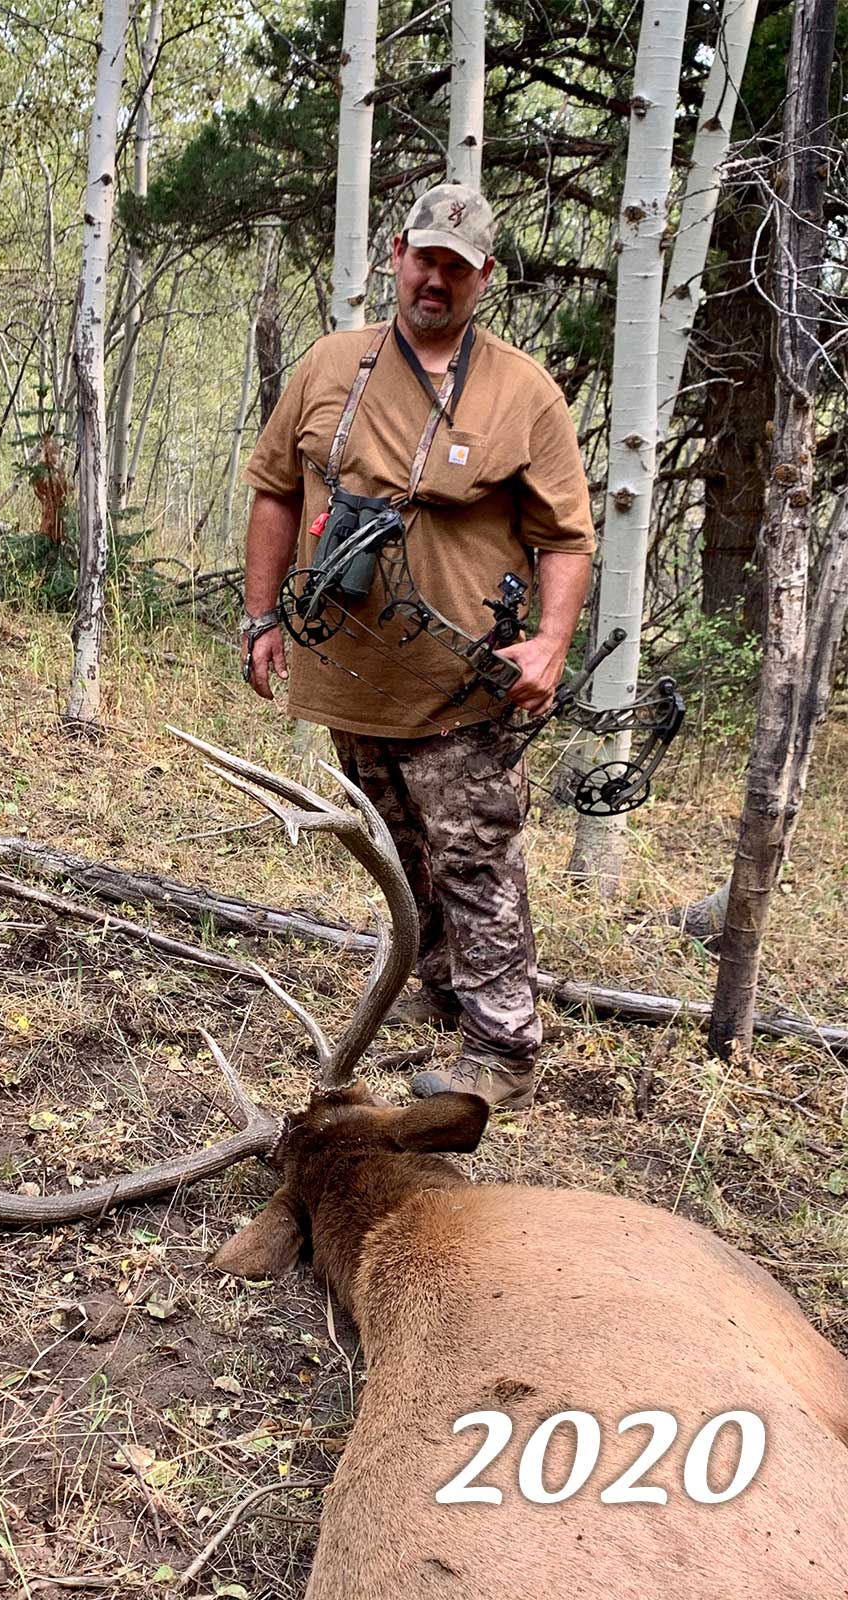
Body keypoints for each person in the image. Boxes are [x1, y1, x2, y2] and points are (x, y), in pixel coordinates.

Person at [237, 182, 595, 1111]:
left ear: (483, 278)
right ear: (397, 253)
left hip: (467, 682)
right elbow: (276, 490)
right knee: (407, 850)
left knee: (475, 853)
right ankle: (448, 999)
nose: (437, 278)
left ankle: (505, 1047)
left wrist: (551, 644)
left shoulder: (523, 391)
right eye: (425, 257)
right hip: (351, 676)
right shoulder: (331, 366)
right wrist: (262, 616)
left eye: (458, 266)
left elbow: (566, 537)